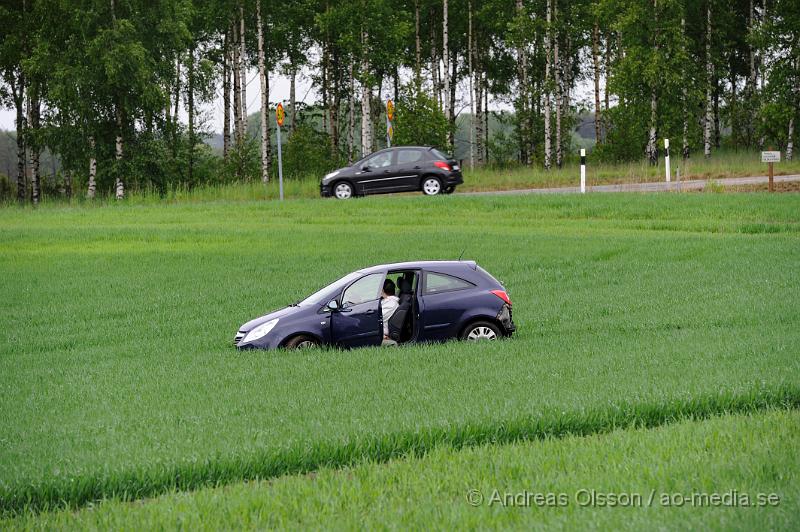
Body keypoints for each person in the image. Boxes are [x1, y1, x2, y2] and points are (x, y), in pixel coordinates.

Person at [381, 279, 400, 346]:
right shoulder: (387, 301)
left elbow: (376, 318)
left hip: (382, 335)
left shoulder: (391, 304)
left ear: (382, 290)